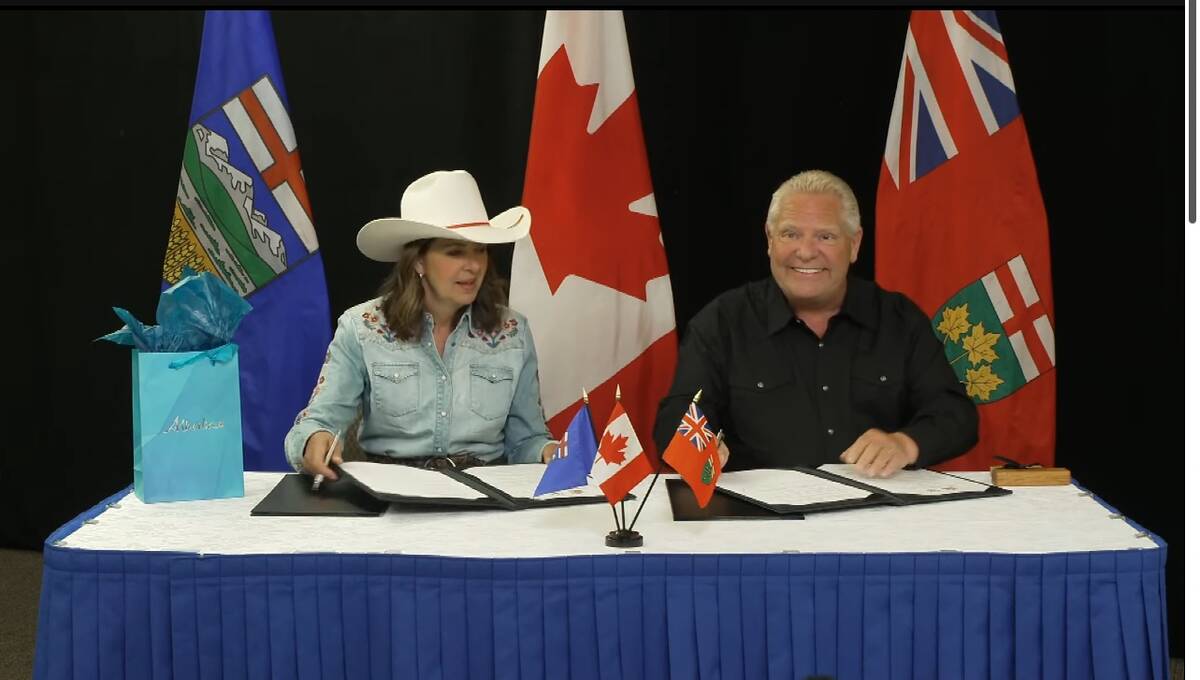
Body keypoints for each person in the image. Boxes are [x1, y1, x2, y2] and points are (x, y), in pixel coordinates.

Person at [653, 170, 977, 478]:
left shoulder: (899, 320)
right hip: (762, 526)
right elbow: (677, 416)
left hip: (878, 519)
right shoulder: (723, 322)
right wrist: (697, 444)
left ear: (854, 244)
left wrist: (906, 444)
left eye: (825, 236)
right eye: (791, 234)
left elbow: (957, 417)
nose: (806, 252)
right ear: (769, 239)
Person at [285, 169, 557, 480]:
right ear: (417, 261)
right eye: (455, 252)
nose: (474, 265)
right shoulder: (361, 328)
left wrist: (548, 451)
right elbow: (317, 420)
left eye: (480, 250)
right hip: (390, 497)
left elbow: (527, 440)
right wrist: (313, 439)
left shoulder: (513, 331)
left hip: (485, 500)